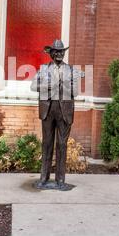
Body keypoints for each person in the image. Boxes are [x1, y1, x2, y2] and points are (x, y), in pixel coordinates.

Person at [30, 39, 83, 191]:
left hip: (64, 111)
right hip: (47, 110)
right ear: (51, 53)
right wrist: (49, 85)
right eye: (57, 51)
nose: (60, 54)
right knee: (46, 144)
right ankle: (44, 178)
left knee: (62, 145)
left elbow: (76, 92)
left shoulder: (71, 70)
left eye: (62, 51)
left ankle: (60, 180)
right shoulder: (43, 69)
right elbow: (33, 86)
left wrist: (65, 84)